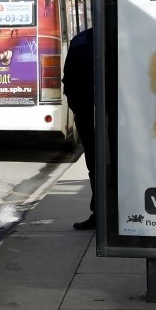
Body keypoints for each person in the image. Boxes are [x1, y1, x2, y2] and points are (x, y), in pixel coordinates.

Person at [61, 28, 95, 230]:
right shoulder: (123, 35)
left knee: (94, 164)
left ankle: (99, 212)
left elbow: (68, 80)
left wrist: (79, 109)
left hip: (87, 114)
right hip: (114, 116)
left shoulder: (81, 41)